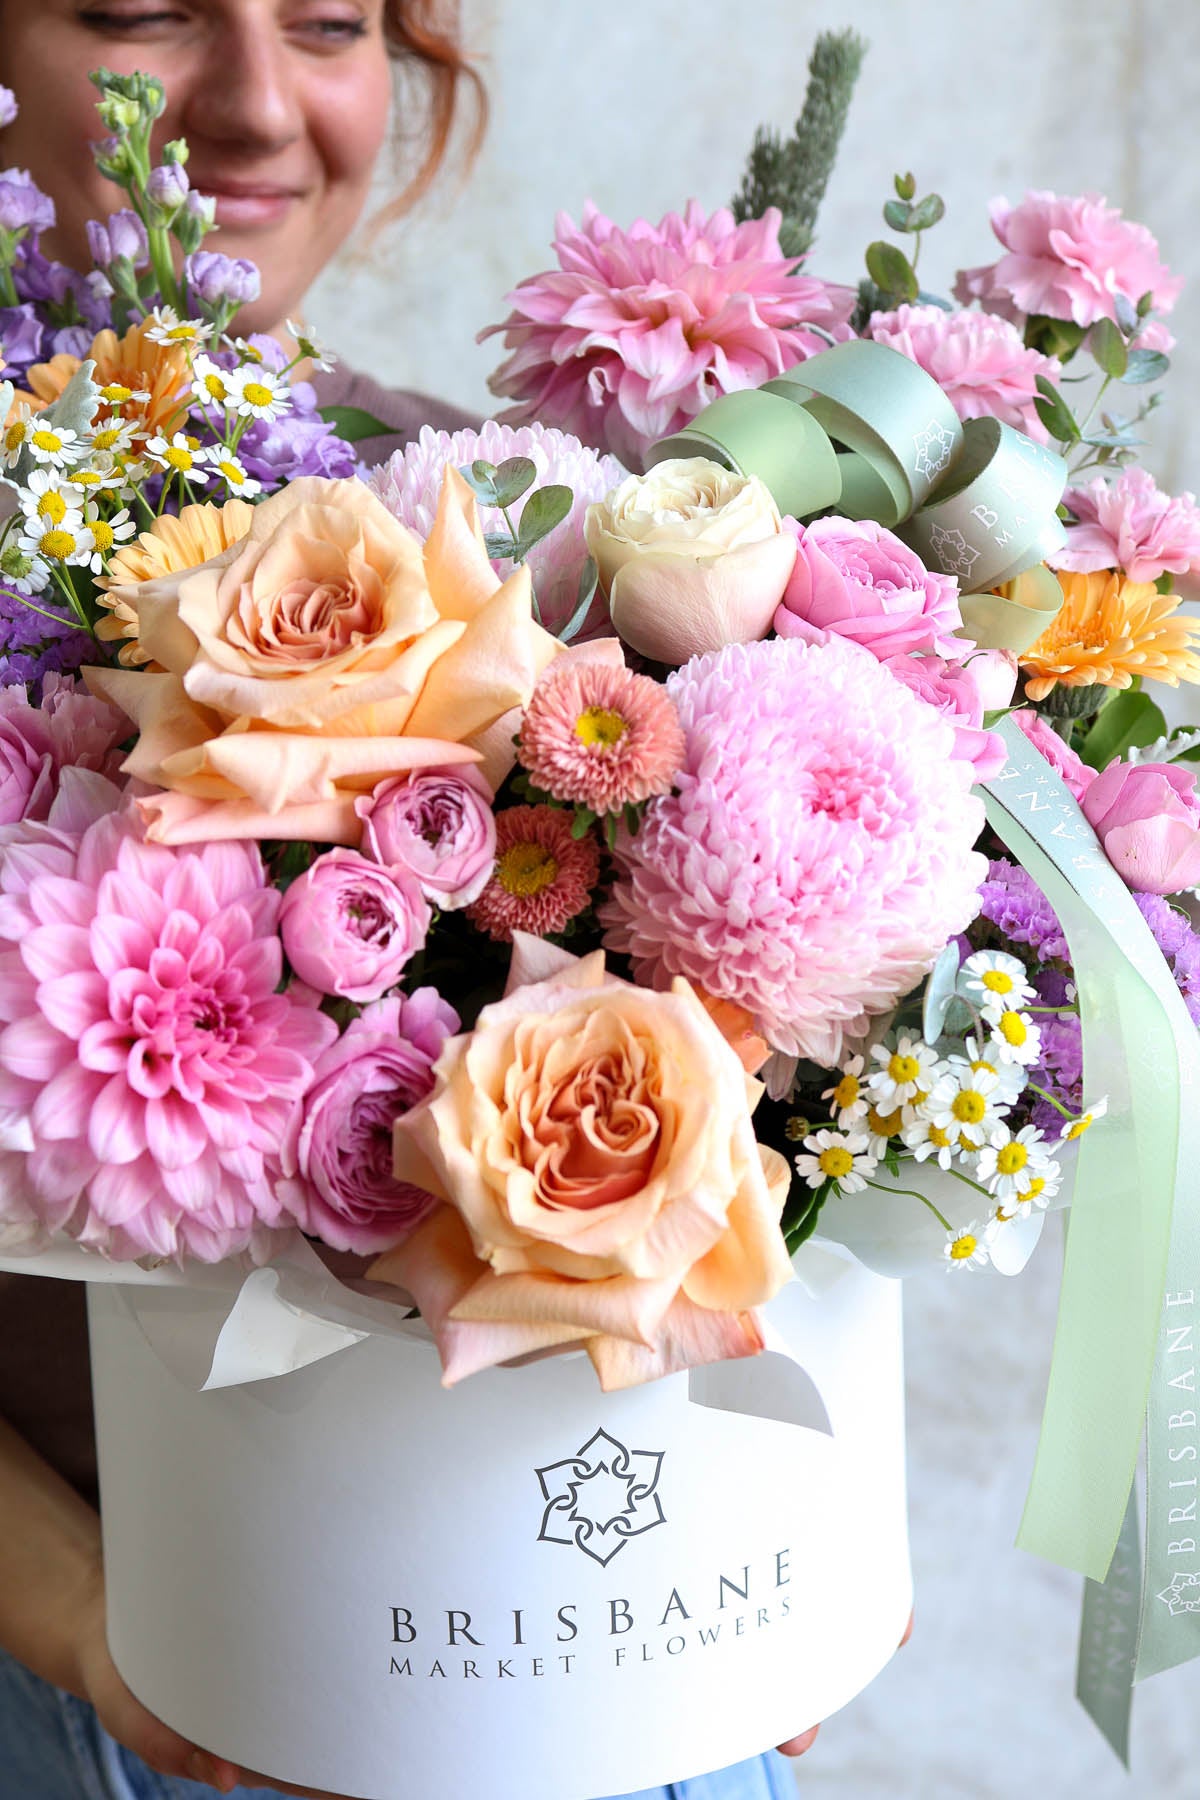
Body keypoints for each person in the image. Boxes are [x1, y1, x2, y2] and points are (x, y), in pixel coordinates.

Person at [0, 4, 828, 1797]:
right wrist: (80, 1621)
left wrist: (802, 1518)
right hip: (133, 1708)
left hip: (627, 1682)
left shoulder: (525, 519)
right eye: (139, 11)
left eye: (326, 23)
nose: (255, 105)